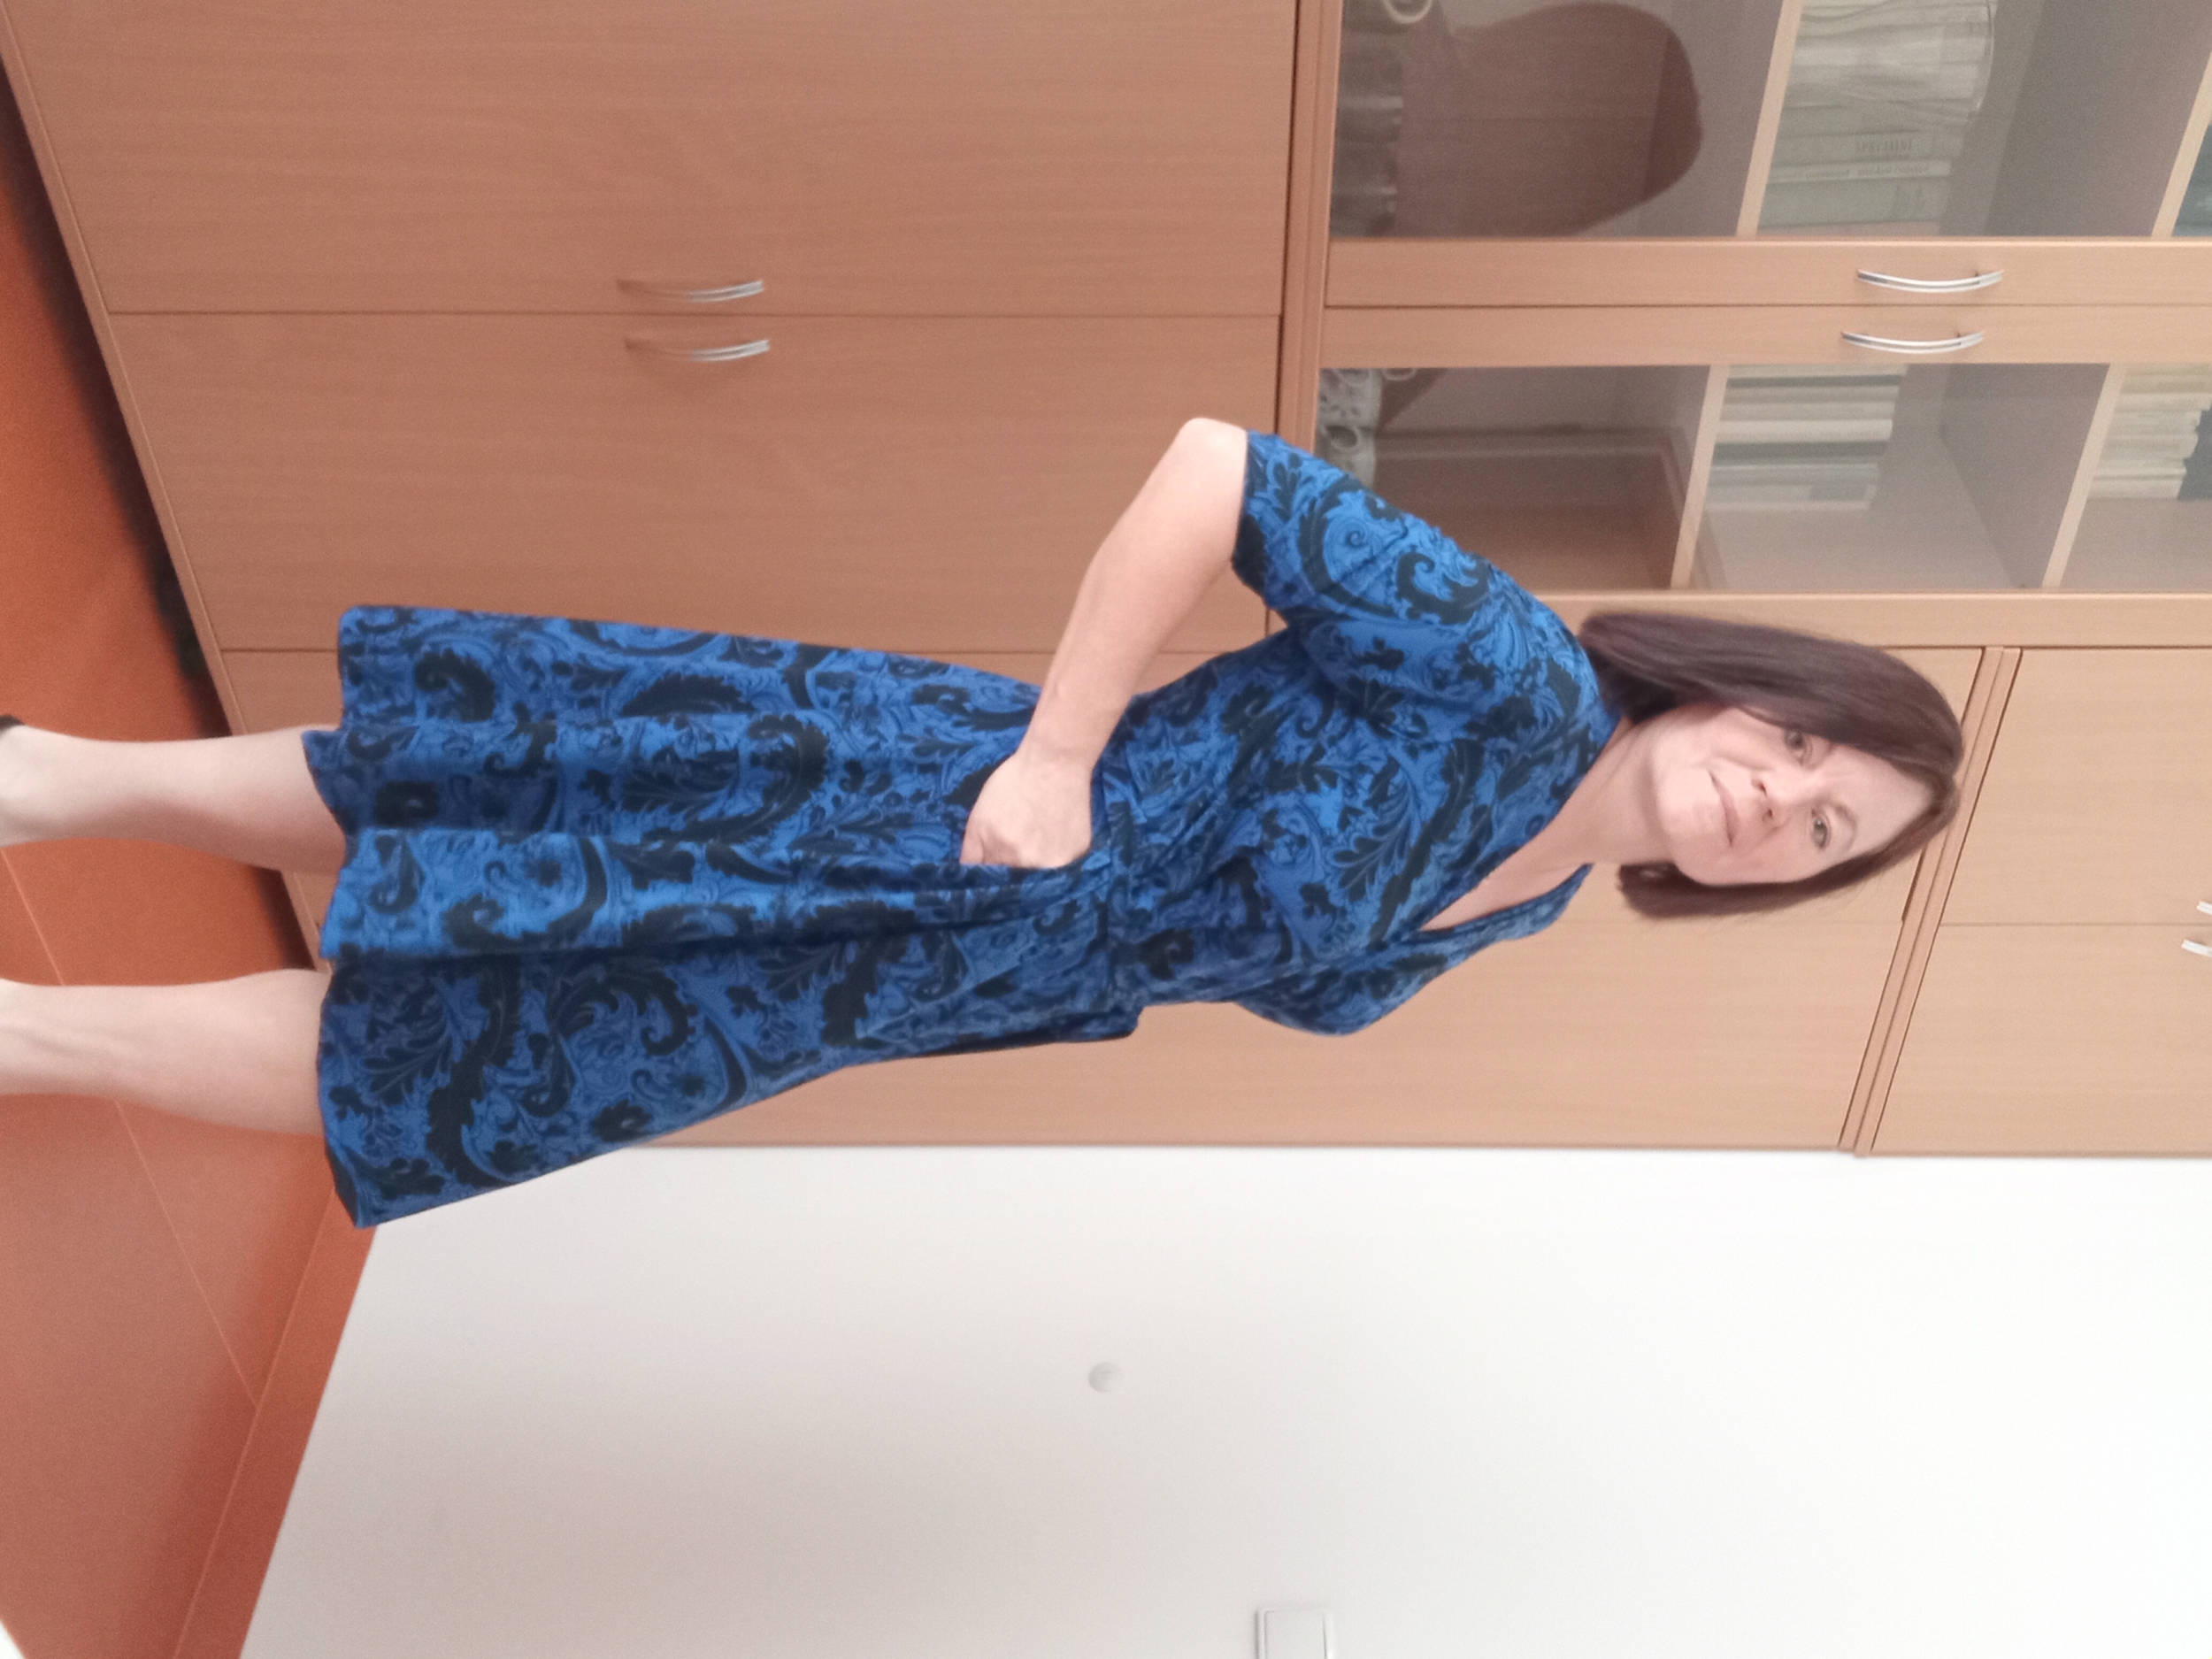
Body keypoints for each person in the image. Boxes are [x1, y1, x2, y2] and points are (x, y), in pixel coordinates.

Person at [0, 419, 1962, 1226]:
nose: (1775, 800)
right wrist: (1059, 753)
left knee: (476, 1049)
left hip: (919, 979)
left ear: (1759, 886)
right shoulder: (1512, 677)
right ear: (1741, 683)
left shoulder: (1522, 910)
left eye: (1819, 835)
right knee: (499, 800)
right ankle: (49, 783)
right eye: (1802, 750)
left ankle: (28, 1026)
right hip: (924, 805)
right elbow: (1220, 469)